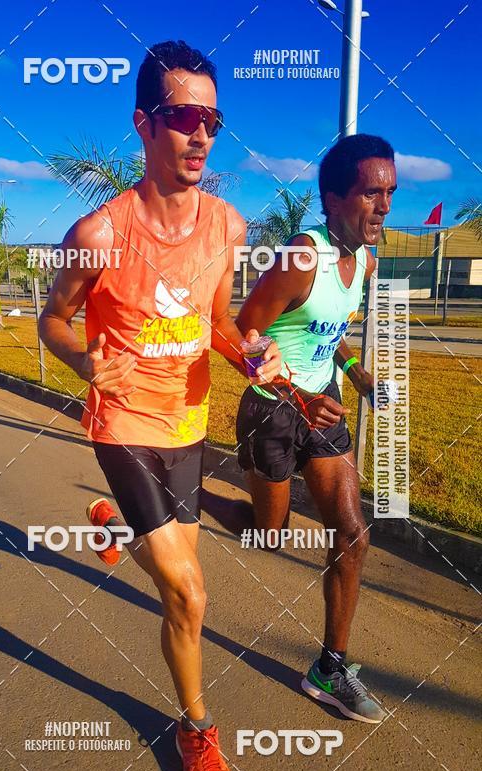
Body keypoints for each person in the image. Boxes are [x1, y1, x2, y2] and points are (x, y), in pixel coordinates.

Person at [39, 40, 280, 771]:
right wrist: (83, 364)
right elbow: (53, 319)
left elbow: (217, 319)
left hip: (187, 425)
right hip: (122, 423)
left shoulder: (228, 227)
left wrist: (249, 353)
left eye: (212, 118)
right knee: (189, 593)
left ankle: (113, 525)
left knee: (172, 565)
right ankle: (196, 729)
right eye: (183, 116)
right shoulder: (99, 234)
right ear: (144, 124)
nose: (201, 133)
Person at [203, 134, 397, 724]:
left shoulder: (364, 259)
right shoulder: (299, 259)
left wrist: (352, 370)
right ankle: (190, 495)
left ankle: (330, 667)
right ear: (334, 198)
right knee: (271, 532)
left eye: (390, 192)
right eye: (371, 193)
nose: (384, 206)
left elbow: (326, 331)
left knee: (353, 533)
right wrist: (295, 395)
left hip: (324, 406)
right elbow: (243, 335)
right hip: (271, 409)